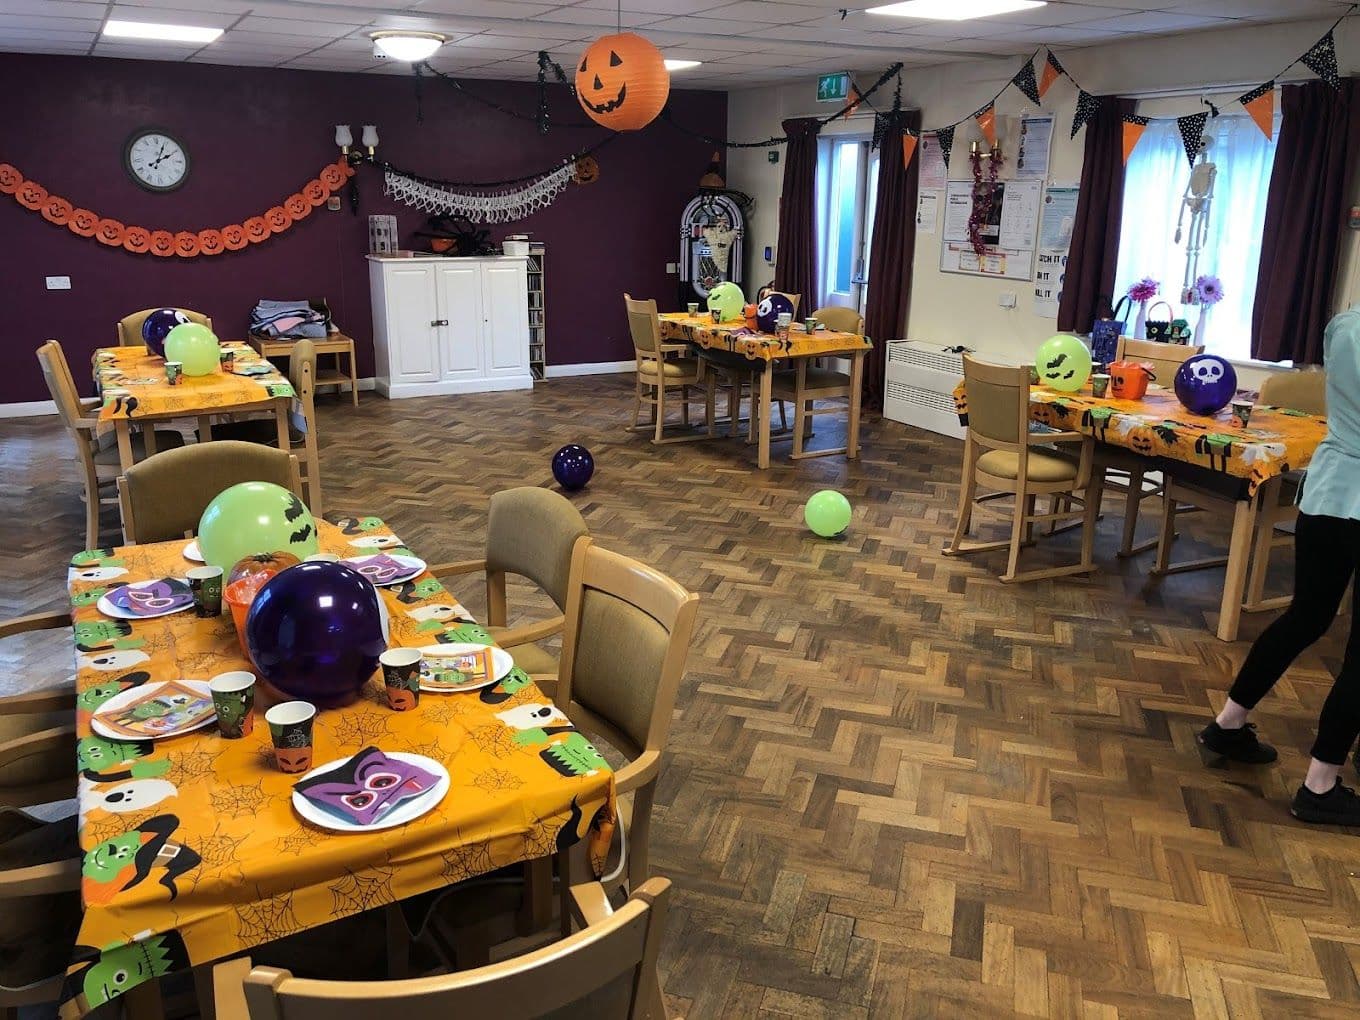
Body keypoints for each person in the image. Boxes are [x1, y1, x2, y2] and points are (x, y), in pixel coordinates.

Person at [1199, 306, 1360, 825]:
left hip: (1327, 496)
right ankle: (1320, 784)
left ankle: (1228, 724)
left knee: (1305, 618)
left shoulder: (1345, 323)